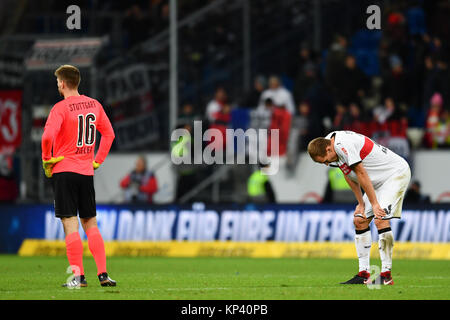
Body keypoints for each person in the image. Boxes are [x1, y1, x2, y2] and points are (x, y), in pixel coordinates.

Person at [41, 65, 116, 288]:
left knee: (70, 224)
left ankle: (78, 277)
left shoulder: (60, 108)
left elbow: (47, 137)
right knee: (90, 223)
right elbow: (109, 134)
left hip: (64, 171)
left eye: (57, 82)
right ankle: (103, 275)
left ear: (63, 83)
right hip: (86, 172)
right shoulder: (95, 105)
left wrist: (47, 159)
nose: (57, 85)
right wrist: (98, 160)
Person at [307, 130, 411, 285]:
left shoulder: (343, 146)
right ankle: (364, 274)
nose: (327, 164)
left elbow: (361, 173)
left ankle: (386, 276)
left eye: (325, 161)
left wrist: (374, 204)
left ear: (328, 149)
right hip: (375, 182)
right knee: (359, 220)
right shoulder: (328, 143)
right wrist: (361, 204)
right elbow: (349, 174)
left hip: (394, 175)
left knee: (380, 218)